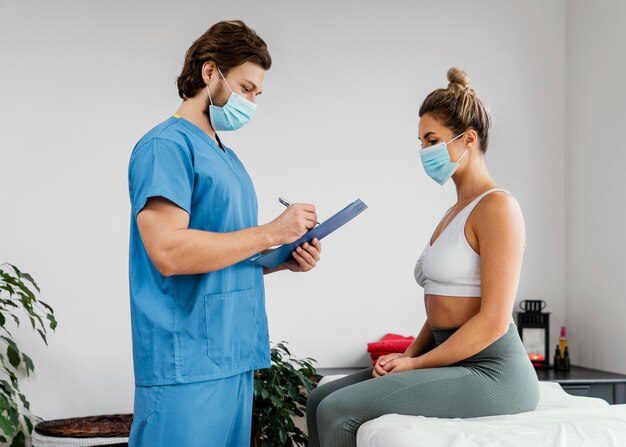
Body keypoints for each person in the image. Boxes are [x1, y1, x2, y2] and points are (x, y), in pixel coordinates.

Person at [306, 67, 539, 447]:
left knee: (337, 410)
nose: (424, 152)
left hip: (494, 371)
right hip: (449, 356)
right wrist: (407, 354)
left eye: (432, 140)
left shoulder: (498, 208)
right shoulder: (455, 211)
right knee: (318, 399)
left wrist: (414, 365)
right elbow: (442, 308)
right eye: (420, 142)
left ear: (468, 139)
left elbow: (494, 321)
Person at [127, 20, 322, 447]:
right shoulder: (165, 147)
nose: (252, 101)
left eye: (257, 94)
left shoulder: (227, 157)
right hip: (185, 361)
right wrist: (270, 232)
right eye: (246, 88)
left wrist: (278, 259)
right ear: (210, 72)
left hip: (232, 354)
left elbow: (219, 252)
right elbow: (169, 252)